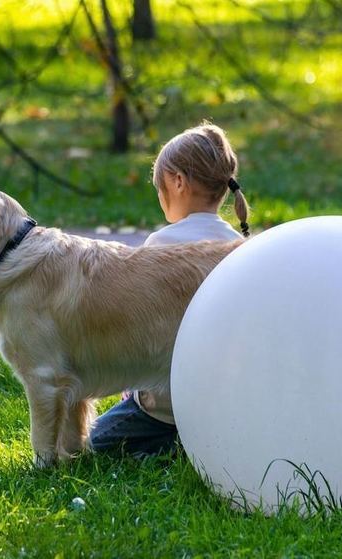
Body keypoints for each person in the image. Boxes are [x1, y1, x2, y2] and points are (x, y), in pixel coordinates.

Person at [90, 122, 251, 456]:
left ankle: (167, 446)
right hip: (226, 404)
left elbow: (136, 331)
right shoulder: (240, 247)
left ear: (178, 182)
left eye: (159, 188)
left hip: (163, 411)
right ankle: (191, 446)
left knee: (92, 444)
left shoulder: (160, 246)